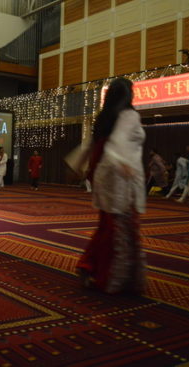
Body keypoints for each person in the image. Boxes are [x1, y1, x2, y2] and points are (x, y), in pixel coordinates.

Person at [73, 78, 146, 294]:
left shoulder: (104, 118)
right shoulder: (127, 116)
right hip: (120, 177)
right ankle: (109, 275)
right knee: (118, 228)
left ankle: (91, 267)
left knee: (108, 225)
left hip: (104, 175)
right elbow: (118, 149)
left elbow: (95, 148)